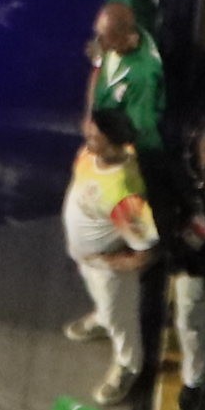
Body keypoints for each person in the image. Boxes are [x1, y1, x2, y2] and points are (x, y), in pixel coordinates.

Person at [61, 127, 158, 372]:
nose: (87, 138)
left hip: (109, 271)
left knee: (121, 319)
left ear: (115, 145)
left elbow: (144, 253)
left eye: (95, 136)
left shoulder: (125, 193)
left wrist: (108, 263)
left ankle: (129, 365)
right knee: (101, 301)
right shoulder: (87, 155)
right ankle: (103, 318)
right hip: (87, 259)